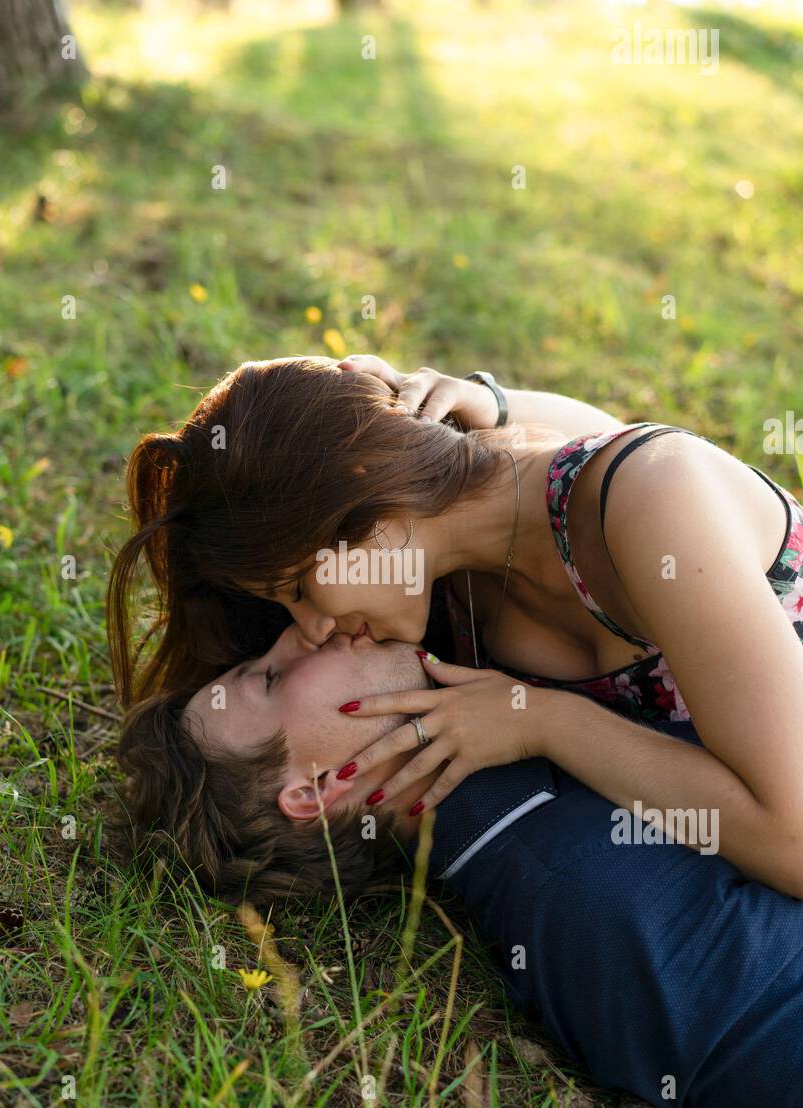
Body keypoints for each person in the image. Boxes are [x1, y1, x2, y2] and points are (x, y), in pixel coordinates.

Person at [107, 355, 803, 897]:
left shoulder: (656, 496)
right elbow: (576, 442)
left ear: (365, 490)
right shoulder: (449, 594)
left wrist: (545, 722)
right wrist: (494, 403)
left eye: (297, 587)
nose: (309, 629)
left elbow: (793, 842)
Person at [116, 622, 803, 1108]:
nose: (301, 634)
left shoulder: (529, 757)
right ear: (318, 791)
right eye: (269, 678)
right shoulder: (589, 899)